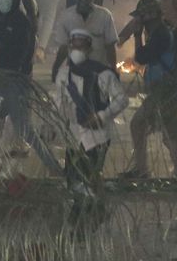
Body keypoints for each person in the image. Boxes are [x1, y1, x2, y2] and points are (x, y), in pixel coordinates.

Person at [0, 0, 61, 174]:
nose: (3, 2)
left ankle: (54, 167)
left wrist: (16, 78)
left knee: (25, 130)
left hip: (15, 84)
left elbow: (24, 55)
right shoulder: (0, 19)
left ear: (14, 1)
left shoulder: (22, 23)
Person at [122, 0, 177, 182]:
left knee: (149, 126)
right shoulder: (162, 31)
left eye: (141, 17)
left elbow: (141, 57)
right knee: (164, 130)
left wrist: (137, 36)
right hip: (164, 88)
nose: (139, 21)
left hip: (165, 90)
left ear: (151, 16)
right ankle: (174, 173)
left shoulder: (161, 34)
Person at [54, 28, 128, 200]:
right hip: (73, 136)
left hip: (97, 137)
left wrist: (102, 116)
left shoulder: (103, 73)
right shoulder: (64, 74)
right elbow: (59, 102)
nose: (77, 50)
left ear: (89, 49)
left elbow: (122, 99)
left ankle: (94, 213)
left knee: (88, 181)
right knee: (73, 182)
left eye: (81, 47)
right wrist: (54, 124)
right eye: (74, 46)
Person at [50, 0, 118, 78]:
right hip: (75, 72)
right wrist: (56, 68)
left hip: (98, 72)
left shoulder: (105, 16)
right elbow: (64, 47)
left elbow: (110, 47)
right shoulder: (66, 16)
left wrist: (113, 69)